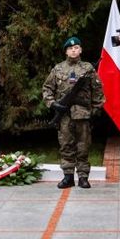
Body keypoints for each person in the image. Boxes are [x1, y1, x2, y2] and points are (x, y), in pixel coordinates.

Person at [43, 36, 105, 189]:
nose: (73, 50)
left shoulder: (88, 69)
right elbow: (47, 89)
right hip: (64, 115)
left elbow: (97, 89)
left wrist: (95, 109)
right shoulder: (58, 69)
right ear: (66, 51)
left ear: (80, 50)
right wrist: (54, 104)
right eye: (70, 48)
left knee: (83, 146)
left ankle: (83, 177)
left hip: (83, 114)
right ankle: (68, 177)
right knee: (66, 146)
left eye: (76, 47)